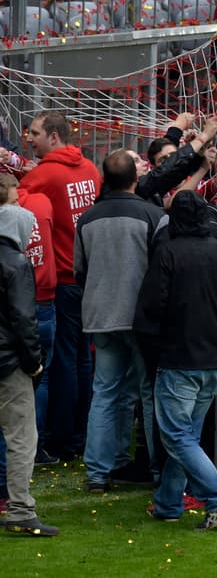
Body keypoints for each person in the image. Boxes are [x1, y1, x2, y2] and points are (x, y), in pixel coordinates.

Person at [134, 191, 217, 530]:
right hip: (213, 357)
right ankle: (169, 502)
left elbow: (152, 305)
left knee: (176, 436)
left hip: (180, 357)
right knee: (185, 436)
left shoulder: (168, 253)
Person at [74, 149, 165, 492]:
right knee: (149, 393)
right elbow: (161, 270)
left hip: (101, 314)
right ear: (136, 179)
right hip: (140, 318)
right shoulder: (152, 215)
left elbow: (79, 269)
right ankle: (157, 468)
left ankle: (100, 470)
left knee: (106, 393)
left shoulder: (87, 218)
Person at [20, 110, 100, 461]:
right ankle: (80, 434)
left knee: (64, 361)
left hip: (64, 280)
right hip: (88, 276)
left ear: (54, 136)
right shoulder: (90, 169)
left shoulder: (44, 175)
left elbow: (15, 200)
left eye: (35, 133)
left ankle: (62, 437)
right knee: (83, 359)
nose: (29, 138)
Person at [0, 198, 58, 535]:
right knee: (22, 437)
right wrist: (34, 362)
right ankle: (20, 509)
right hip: (8, 362)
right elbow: (24, 319)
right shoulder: (17, 264)